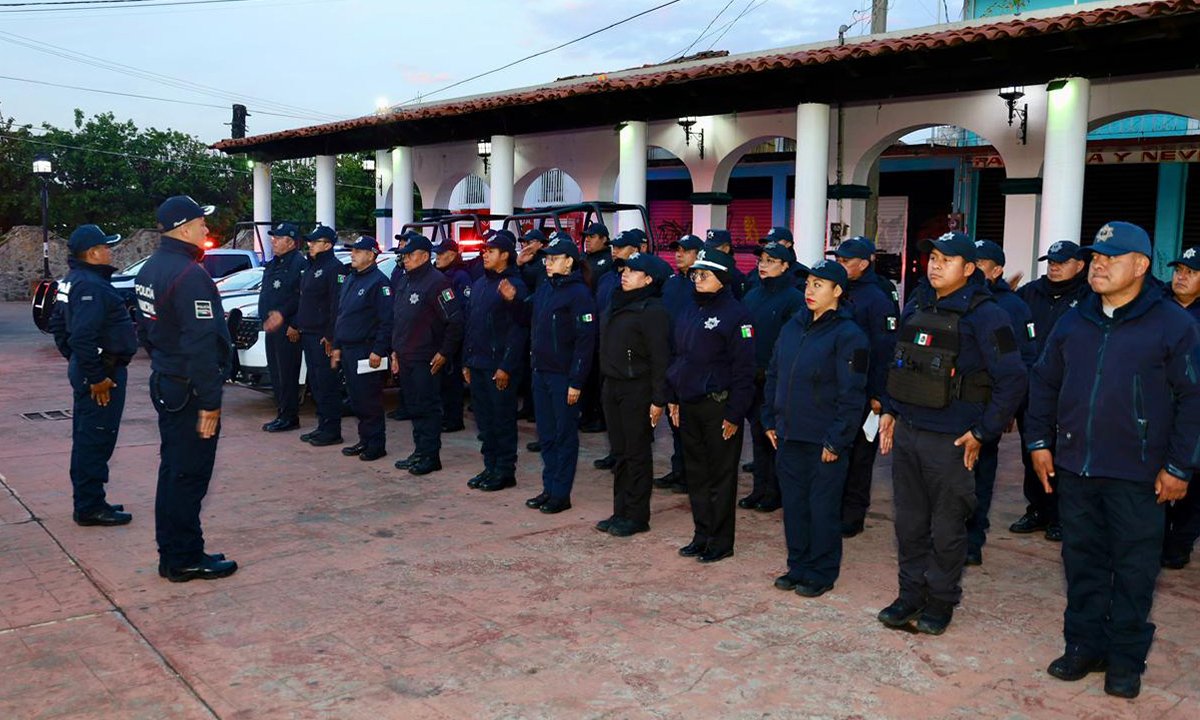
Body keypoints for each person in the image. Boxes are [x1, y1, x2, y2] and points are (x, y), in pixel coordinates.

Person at [1027, 222, 1200, 699]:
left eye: (1111, 257)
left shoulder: (1173, 324)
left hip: (1140, 475)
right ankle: (1083, 645)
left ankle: (1125, 659)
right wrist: (1039, 443)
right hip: (1077, 467)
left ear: (1141, 265)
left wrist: (1180, 467)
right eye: (1096, 256)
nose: (1098, 264)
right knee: (1081, 562)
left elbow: (1193, 399)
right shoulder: (1076, 319)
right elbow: (1044, 381)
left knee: (1133, 571)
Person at [876, 231, 1026, 634]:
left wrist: (983, 431)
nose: (936, 264)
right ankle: (909, 594)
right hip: (908, 431)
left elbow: (1012, 379)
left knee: (946, 527)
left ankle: (940, 601)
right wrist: (889, 409)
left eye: (947, 259)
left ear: (970, 268)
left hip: (953, 439)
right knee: (908, 524)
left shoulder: (988, 314)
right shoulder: (916, 302)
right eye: (933, 257)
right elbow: (899, 361)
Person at [134, 196, 237, 582]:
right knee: (188, 475)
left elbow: (144, 329)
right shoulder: (188, 275)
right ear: (182, 228)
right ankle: (183, 558)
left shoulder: (150, 269)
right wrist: (210, 402)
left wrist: (165, 360)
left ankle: (177, 551)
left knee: (174, 471)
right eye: (200, 223)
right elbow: (200, 345)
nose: (206, 229)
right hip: (189, 389)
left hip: (167, 380)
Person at [763, 260, 868, 597]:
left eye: (819, 285)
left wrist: (837, 439)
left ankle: (821, 571)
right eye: (808, 283)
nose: (809, 290)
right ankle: (798, 565)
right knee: (794, 506)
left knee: (822, 508)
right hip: (789, 434)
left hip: (824, 438)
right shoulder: (793, 326)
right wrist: (770, 419)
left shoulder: (850, 335)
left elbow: (852, 393)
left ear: (838, 291)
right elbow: (774, 374)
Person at [667, 247, 755, 563]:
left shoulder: (737, 316)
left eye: (705, 274)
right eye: (695, 274)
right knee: (697, 474)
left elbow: (745, 371)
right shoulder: (690, 309)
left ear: (722, 278)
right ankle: (701, 534)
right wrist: (672, 396)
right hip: (689, 403)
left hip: (719, 407)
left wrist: (735, 414)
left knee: (721, 477)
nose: (698, 279)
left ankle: (720, 541)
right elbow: (679, 357)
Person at [49, 224, 137, 527]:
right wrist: (95, 375)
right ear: (93, 253)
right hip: (103, 375)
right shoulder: (90, 286)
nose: (110, 251)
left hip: (91, 369)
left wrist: (77, 363)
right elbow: (81, 337)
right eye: (107, 246)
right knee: (96, 439)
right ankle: (89, 506)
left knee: (88, 436)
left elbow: (59, 327)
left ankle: (91, 499)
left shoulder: (73, 280)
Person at [1011, 240, 1092, 541]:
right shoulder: (1029, 293)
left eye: (1062, 262)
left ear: (1080, 265)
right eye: (1051, 261)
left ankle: (1060, 515)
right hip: (1033, 389)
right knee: (1032, 450)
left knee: (1064, 455)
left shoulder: (1089, 297)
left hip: (1070, 391)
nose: (1054, 267)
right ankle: (1038, 509)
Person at [965, 239, 1036, 566]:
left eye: (981, 264)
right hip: (952, 409)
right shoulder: (956, 300)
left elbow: (1019, 362)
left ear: (997, 270)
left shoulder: (1012, 309)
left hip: (986, 410)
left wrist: (1004, 409)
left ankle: (971, 542)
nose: (975, 269)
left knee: (979, 479)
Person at [595, 252, 672, 537]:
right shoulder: (617, 302)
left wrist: (658, 399)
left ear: (649, 279)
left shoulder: (653, 311)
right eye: (624, 269)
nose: (625, 274)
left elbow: (660, 358)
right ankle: (620, 511)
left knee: (636, 453)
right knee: (619, 453)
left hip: (637, 388)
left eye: (633, 271)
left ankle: (637, 515)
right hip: (612, 385)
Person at [828, 236, 899, 538]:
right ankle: (832, 508)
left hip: (863, 391)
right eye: (838, 260)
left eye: (846, 261)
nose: (840, 265)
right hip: (834, 387)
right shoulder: (839, 290)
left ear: (864, 263)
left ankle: (852, 515)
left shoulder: (877, 298)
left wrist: (878, 395)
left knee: (859, 457)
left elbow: (885, 351)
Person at [526, 232, 597, 514]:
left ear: (569, 262)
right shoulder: (546, 287)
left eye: (554, 259)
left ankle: (561, 493)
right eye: (547, 258)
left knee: (564, 434)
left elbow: (585, 341)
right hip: (541, 372)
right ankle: (549, 487)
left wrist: (577, 380)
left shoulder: (579, 293)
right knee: (546, 434)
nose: (548, 263)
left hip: (564, 376)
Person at [389, 235, 465, 476]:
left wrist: (444, 352)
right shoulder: (405, 281)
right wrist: (395, 352)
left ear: (424, 256)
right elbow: (398, 320)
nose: (406, 260)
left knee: (428, 407)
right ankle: (419, 450)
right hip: (406, 355)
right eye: (405, 256)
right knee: (414, 406)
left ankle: (430, 456)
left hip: (426, 357)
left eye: (410, 255)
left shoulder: (437, 283)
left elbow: (455, 322)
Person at [740, 241, 805, 513]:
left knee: (774, 436)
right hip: (751, 376)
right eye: (762, 260)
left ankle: (775, 492)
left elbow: (791, 341)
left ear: (785, 265)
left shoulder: (794, 299)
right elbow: (743, 330)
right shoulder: (753, 295)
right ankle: (759, 487)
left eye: (770, 260)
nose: (763, 265)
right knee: (757, 434)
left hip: (776, 378)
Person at [463, 232, 530, 492]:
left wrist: (506, 366)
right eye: (484, 250)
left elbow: (519, 330)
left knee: (502, 420)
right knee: (484, 421)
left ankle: (504, 470)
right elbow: (471, 324)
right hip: (478, 363)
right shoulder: (480, 283)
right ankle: (490, 467)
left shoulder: (514, 285)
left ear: (505, 254)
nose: (485, 254)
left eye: (491, 250)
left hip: (499, 366)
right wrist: (466, 361)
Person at [331, 236, 392, 463]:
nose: (353, 254)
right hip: (348, 349)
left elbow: (387, 321)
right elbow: (342, 316)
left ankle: (376, 444)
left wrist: (379, 349)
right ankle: (364, 439)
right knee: (356, 399)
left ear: (371, 254)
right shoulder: (351, 279)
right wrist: (337, 345)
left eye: (358, 251)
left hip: (367, 351)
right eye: (352, 251)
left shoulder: (379, 283)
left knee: (369, 399)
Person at [592, 228, 645, 468]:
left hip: (631, 360)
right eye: (613, 247)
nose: (615, 251)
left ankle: (629, 458)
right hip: (607, 351)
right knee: (610, 409)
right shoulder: (607, 277)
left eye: (620, 247)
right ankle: (616, 452)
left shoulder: (644, 277)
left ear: (636, 250)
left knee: (632, 419)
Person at [654, 233, 703, 494]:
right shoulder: (671, 283)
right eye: (677, 250)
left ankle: (691, 474)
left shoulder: (702, 283)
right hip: (669, 359)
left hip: (691, 361)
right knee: (675, 423)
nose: (679, 254)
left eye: (686, 250)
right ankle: (678, 470)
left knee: (689, 423)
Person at [1162, 246, 1200, 569]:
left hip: (1193, 406)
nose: (1181, 276)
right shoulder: (1157, 307)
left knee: (1193, 476)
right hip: (1159, 404)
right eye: (1179, 270)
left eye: (1190, 272)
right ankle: (1157, 538)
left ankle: (1180, 542)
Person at [295, 224, 346, 447]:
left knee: (327, 384)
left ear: (327, 244)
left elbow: (337, 305)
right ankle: (322, 425)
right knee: (316, 383)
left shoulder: (335, 268)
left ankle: (332, 429)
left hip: (323, 336)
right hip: (309, 333)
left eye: (315, 242)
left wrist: (331, 335)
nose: (310, 245)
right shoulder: (312, 267)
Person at [259, 222, 306, 433]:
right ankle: (282, 412)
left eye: (277, 238)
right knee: (276, 373)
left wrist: (294, 323)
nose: (273, 241)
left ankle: (289, 416)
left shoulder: (299, 263)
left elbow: (302, 297)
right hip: (272, 329)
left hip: (288, 328)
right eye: (273, 238)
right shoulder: (274, 264)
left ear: (290, 241)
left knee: (287, 374)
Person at [432, 237, 473, 433]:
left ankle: (454, 419)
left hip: (454, 335)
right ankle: (445, 416)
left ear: (452, 255)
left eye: (441, 254)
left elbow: (464, 309)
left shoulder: (460, 276)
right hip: (440, 335)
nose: (437, 257)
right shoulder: (440, 274)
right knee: (442, 382)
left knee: (452, 381)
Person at [579, 222, 614, 434]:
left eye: (592, 236)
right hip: (585, 323)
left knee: (600, 375)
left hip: (601, 322)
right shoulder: (584, 260)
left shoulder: (607, 262)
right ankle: (587, 414)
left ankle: (600, 417)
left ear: (604, 239)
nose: (588, 240)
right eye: (587, 237)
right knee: (587, 374)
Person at [703, 230, 747, 298]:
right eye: (707, 248)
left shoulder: (736, 277)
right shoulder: (702, 271)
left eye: (713, 248)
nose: (709, 252)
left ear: (726, 249)